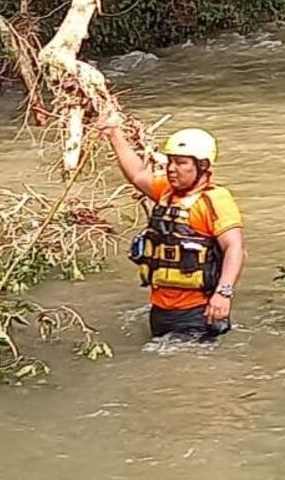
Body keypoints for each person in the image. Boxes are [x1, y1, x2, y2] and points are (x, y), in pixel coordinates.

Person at [98, 114, 245, 340]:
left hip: (198, 312)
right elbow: (137, 174)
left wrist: (223, 294)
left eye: (181, 163)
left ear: (202, 166)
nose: (172, 169)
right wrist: (114, 134)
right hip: (160, 310)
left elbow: (234, 248)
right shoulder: (166, 191)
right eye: (170, 162)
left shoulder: (215, 200)